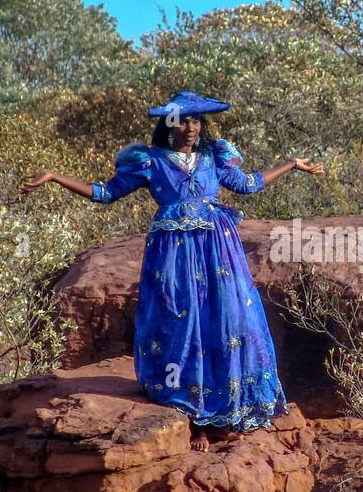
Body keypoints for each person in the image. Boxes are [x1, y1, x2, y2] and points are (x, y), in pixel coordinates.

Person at [22, 90, 323, 451]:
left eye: (196, 121)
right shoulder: (150, 162)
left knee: (227, 319)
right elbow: (104, 192)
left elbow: (248, 184)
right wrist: (55, 177)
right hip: (174, 257)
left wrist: (291, 164)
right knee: (181, 320)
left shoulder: (215, 156)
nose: (190, 128)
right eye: (183, 121)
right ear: (169, 124)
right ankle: (193, 413)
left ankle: (226, 411)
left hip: (218, 250)